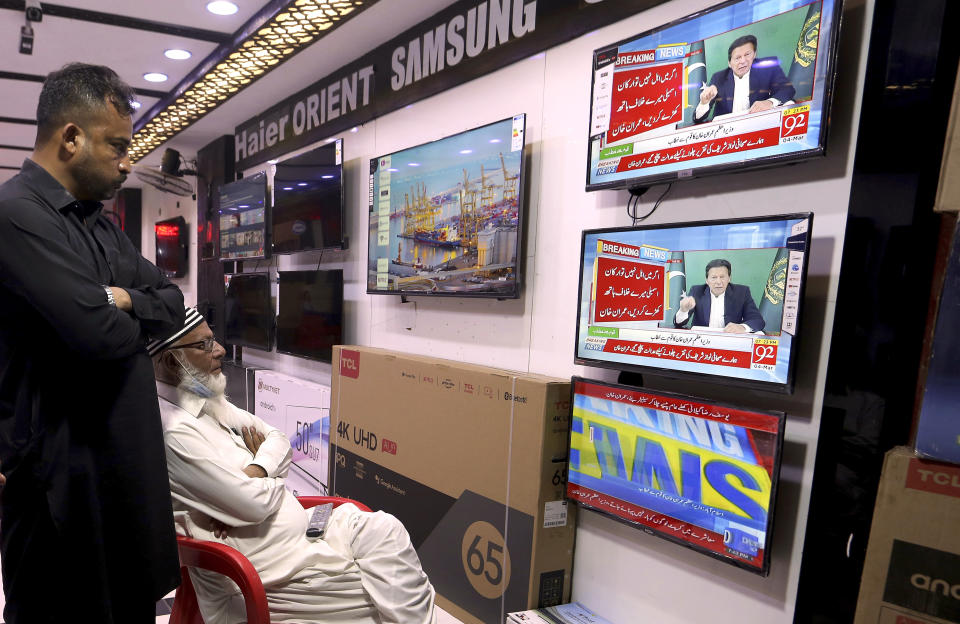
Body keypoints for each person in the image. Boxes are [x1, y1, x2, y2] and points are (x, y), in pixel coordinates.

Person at [0, 64, 185, 623]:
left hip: (123, 475)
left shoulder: (99, 225)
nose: (129, 162)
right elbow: (95, 335)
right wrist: (128, 315)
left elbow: (172, 301)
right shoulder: (17, 215)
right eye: (118, 146)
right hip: (60, 487)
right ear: (71, 137)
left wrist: (125, 299)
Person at [152, 310, 437, 624]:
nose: (219, 349)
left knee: (386, 530)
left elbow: (279, 439)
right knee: (390, 595)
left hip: (305, 542)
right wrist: (265, 477)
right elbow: (254, 504)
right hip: (269, 575)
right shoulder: (175, 432)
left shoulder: (206, 399)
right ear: (169, 361)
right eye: (204, 345)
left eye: (213, 339)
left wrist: (256, 471)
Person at [694, 34, 796, 123]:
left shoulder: (768, 68)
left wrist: (770, 102)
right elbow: (698, 118)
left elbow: (787, 89)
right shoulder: (719, 78)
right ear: (729, 63)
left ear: (754, 55)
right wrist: (704, 102)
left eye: (747, 54)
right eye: (737, 58)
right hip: (728, 134)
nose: (743, 61)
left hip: (760, 127)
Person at [674, 259, 765, 333]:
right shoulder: (697, 291)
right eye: (714, 277)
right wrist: (683, 310)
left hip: (730, 342)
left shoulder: (742, 292)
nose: (718, 282)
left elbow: (757, 320)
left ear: (729, 278)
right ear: (707, 280)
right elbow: (678, 324)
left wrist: (742, 327)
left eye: (722, 277)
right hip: (702, 341)